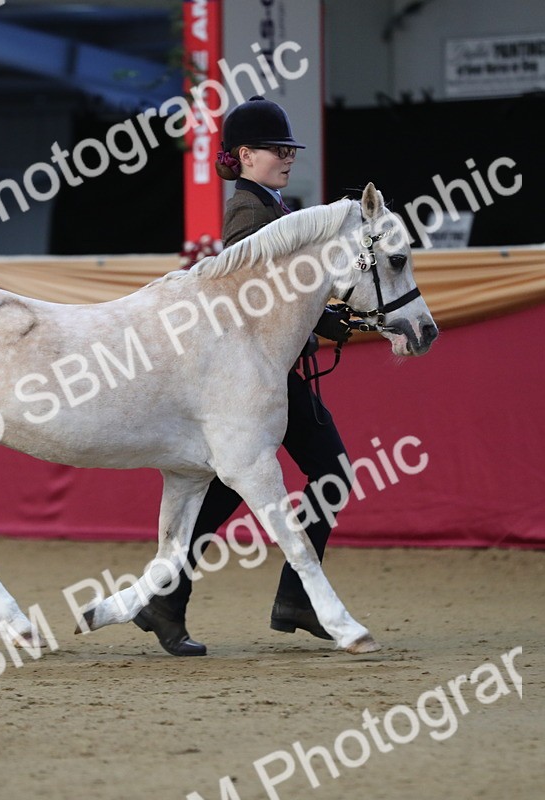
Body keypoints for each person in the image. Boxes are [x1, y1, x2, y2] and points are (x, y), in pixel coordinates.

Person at [133, 96, 353, 656]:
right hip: (258, 376)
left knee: (238, 490)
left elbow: (285, 294)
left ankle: (171, 597)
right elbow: (252, 299)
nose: (287, 156)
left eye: (289, 149)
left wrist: (324, 317)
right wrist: (322, 320)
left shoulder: (271, 205)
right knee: (322, 472)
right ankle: (289, 599)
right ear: (246, 155)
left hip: (273, 371)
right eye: (277, 149)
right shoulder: (249, 214)